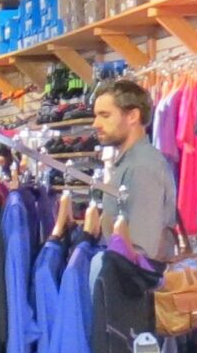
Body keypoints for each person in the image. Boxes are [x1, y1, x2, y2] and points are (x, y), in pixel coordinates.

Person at [74, 77, 181, 264]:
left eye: (105, 115)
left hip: (135, 288)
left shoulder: (142, 167)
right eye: (96, 115)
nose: (95, 124)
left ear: (132, 116)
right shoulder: (129, 163)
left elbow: (142, 252)